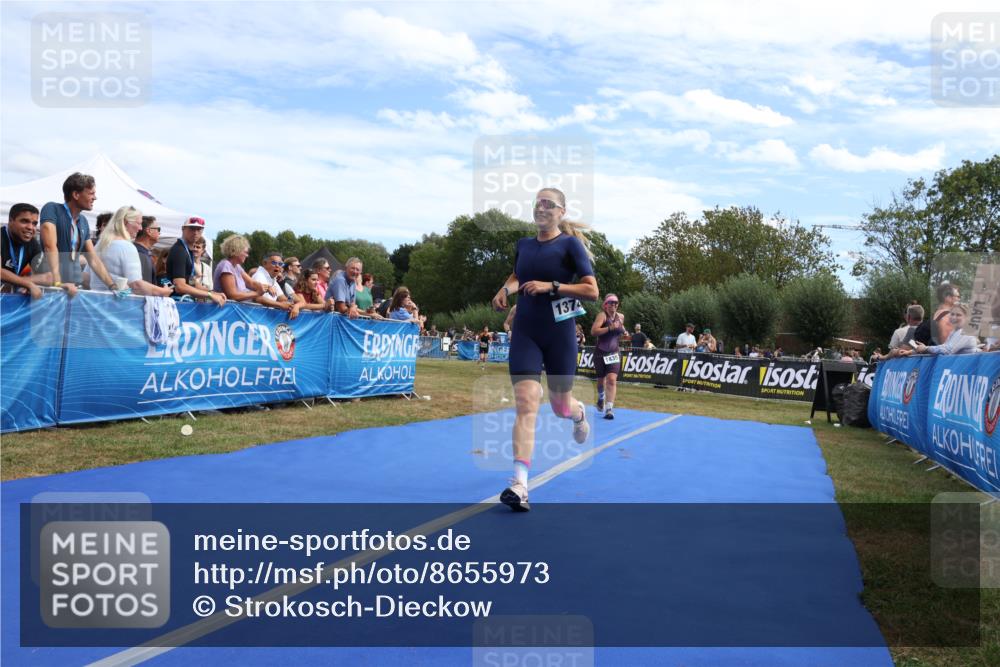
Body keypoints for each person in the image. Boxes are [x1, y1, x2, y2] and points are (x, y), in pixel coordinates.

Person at [491, 187, 599, 512]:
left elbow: (591, 290)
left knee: (559, 406)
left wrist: (552, 286)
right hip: (526, 332)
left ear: (561, 212)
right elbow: (517, 274)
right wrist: (505, 290)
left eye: (549, 204)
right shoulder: (523, 245)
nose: (542, 208)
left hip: (560, 336)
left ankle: (578, 414)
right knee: (526, 403)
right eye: (538, 203)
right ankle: (520, 483)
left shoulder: (570, 245)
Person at [39, 172, 118, 296]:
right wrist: (57, 283)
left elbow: (93, 259)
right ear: (76, 194)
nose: (95, 198)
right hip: (51, 287)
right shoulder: (52, 208)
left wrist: (113, 286)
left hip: (73, 288)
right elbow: (50, 246)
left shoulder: (84, 221)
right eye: (91, 193)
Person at [92, 206, 172, 296]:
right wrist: (162, 291)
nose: (141, 228)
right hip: (117, 305)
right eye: (138, 223)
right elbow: (136, 285)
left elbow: (86, 277)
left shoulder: (100, 244)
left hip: (95, 303)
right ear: (126, 222)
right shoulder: (126, 246)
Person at [214, 235, 300, 318]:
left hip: (237, 312)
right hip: (229, 313)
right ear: (236, 251)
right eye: (245, 252)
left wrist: (267, 287)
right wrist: (257, 293)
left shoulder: (237, 267)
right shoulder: (226, 265)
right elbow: (233, 296)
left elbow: (251, 283)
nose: (247, 255)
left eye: (280, 264)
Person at [166, 217, 226, 306]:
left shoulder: (187, 250)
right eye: (192, 228)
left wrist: (212, 293)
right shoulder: (179, 250)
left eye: (199, 229)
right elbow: (180, 286)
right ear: (183, 229)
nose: (195, 232)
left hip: (184, 303)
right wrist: (209, 295)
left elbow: (191, 283)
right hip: (177, 304)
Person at [2, 203, 50, 298]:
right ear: (10, 221)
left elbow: (48, 277)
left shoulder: (32, 243)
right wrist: (27, 284)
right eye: (24, 221)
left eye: (34, 223)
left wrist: (20, 282)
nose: (30, 227)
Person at [591, 294, 624, 419]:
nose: (614, 305)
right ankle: (601, 398)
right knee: (601, 381)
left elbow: (619, 332)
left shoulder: (621, 317)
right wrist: (609, 328)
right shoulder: (602, 315)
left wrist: (625, 335)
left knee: (611, 379)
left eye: (616, 302)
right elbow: (593, 332)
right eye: (611, 302)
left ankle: (609, 408)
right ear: (606, 304)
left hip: (614, 353)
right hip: (600, 352)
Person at [913, 303, 980, 355]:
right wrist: (912, 352)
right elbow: (944, 347)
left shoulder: (965, 331)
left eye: (958, 315)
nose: (954, 317)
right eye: (952, 314)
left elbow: (948, 350)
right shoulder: (955, 332)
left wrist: (926, 348)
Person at [133, 216, 159, 285]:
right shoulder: (141, 254)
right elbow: (144, 287)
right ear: (149, 231)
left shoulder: (138, 251)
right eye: (158, 229)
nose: (159, 233)